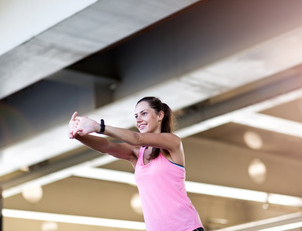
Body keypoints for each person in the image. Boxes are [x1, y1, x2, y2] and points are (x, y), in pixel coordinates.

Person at [68, 96, 204, 231]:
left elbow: (137, 138)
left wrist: (98, 127)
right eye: (136, 116)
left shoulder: (172, 142)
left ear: (160, 115)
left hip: (186, 227)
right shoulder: (136, 153)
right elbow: (106, 146)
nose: (138, 120)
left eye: (144, 113)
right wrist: (78, 134)